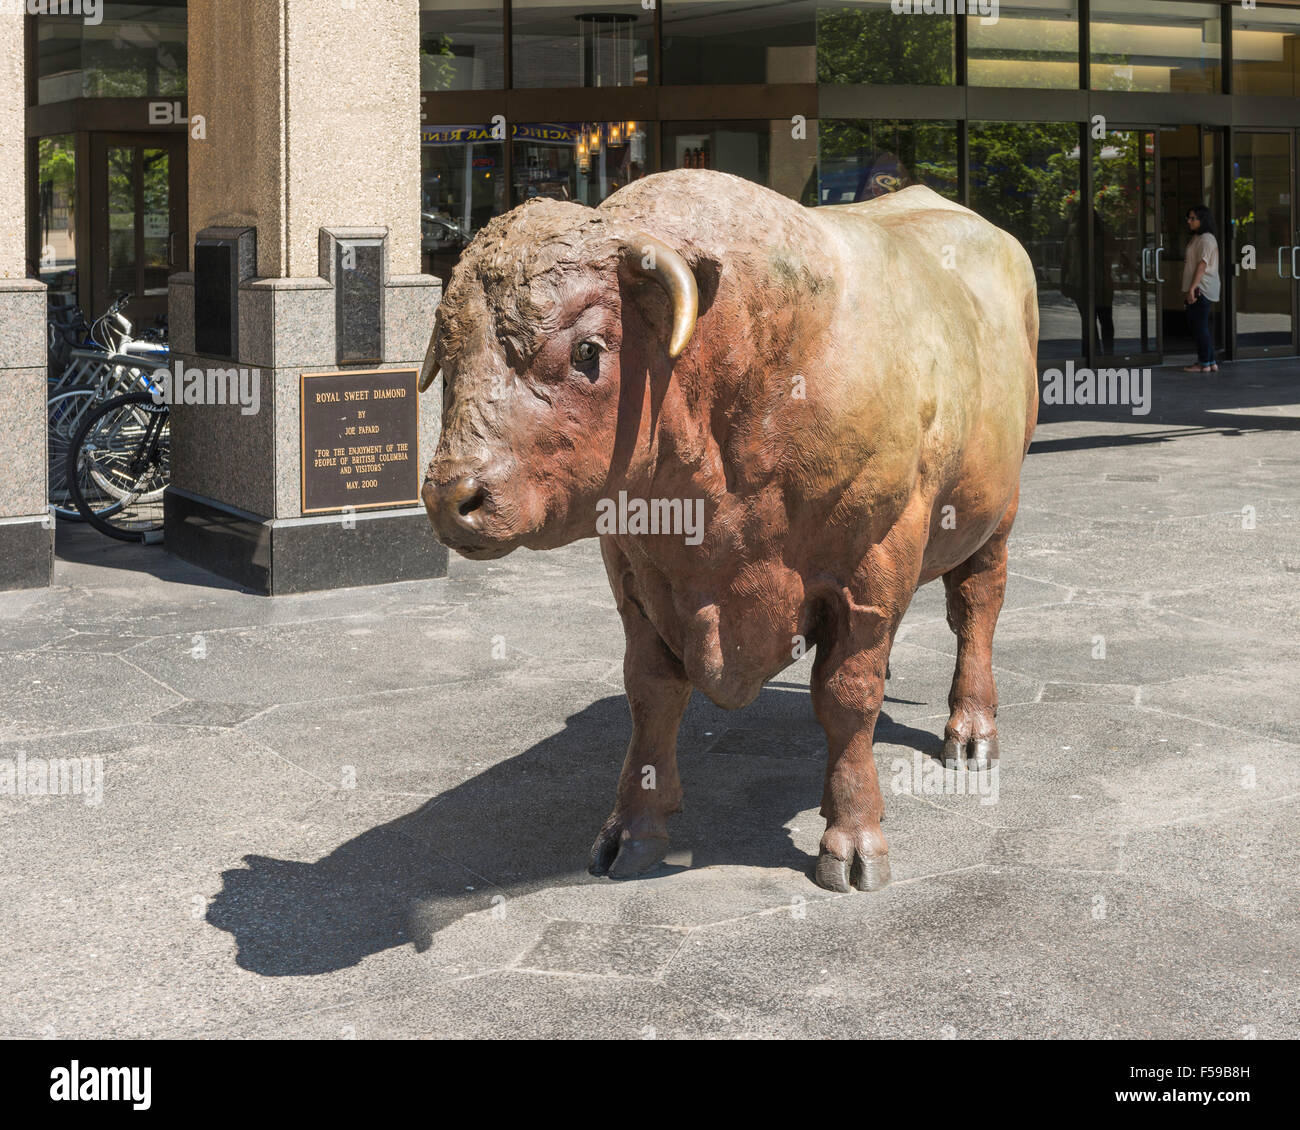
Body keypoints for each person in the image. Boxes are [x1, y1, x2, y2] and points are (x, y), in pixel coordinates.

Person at [1182, 204, 1220, 373]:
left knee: (1199, 326)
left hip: (1201, 288)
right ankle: (1210, 361)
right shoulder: (1198, 237)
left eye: (1193, 218)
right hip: (1199, 287)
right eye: (1188, 218)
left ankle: (1204, 362)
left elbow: (1202, 265)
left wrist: (1192, 288)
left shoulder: (1206, 239)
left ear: (1202, 220)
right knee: (1200, 326)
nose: (1189, 221)